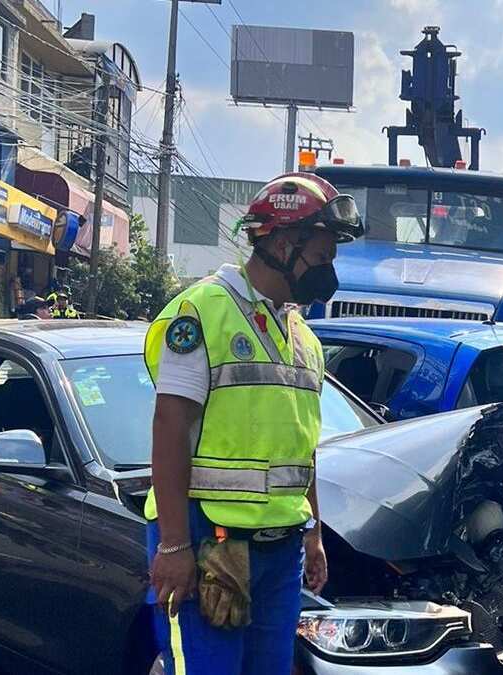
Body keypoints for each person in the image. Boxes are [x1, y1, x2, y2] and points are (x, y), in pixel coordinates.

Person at [145, 172, 363, 675]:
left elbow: (301, 447)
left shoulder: (303, 338)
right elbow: (170, 428)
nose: (329, 272)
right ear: (283, 243)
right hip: (205, 542)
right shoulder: (201, 313)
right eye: (323, 257)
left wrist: (313, 533)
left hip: (280, 549)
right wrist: (174, 545)